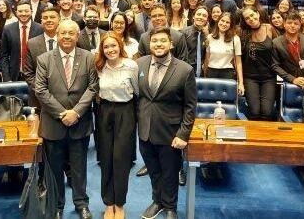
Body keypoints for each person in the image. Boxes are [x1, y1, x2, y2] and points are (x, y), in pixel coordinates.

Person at [34, 20, 97, 219]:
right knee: (54, 169)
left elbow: (93, 87)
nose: (67, 37)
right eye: (63, 33)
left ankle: (81, 203)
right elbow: (40, 90)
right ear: (57, 35)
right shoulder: (44, 59)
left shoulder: (88, 57)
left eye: (71, 33)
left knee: (79, 168)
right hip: (54, 124)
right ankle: (57, 205)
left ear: (77, 36)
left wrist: (76, 112)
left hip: (80, 122)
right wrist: (62, 113)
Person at [137, 27, 196, 219]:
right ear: (149, 43)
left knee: (170, 172)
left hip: (171, 132)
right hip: (145, 129)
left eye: (163, 41)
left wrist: (183, 134)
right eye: (154, 41)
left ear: (171, 44)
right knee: (154, 171)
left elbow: (190, 106)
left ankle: (170, 206)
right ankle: (158, 201)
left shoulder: (185, 70)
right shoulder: (139, 64)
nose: (158, 44)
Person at [95, 32, 138, 219]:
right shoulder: (98, 66)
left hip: (125, 111)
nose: (110, 50)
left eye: (114, 46)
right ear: (102, 50)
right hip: (104, 111)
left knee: (120, 158)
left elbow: (137, 91)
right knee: (105, 158)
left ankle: (119, 203)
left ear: (120, 46)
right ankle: (108, 202)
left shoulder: (131, 66)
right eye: (106, 47)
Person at [239, 6, 277, 120]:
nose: (250, 19)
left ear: (258, 14)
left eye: (252, 15)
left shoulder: (269, 28)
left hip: (269, 77)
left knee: (267, 112)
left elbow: (280, 50)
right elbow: (238, 57)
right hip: (250, 77)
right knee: (254, 112)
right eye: (247, 18)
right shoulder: (243, 32)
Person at [271, 11, 304, 88]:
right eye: (289, 23)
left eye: (296, 23)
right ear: (284, 24)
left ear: (300, 25)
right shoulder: (276, 42)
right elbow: (274, 65)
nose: (292, 26)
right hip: (287, 83)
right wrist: (293, 79)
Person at [23, 7, 60, 113]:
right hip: (39, 100)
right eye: (45, 18)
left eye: (52, 17)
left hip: (65, 99)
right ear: (41, 21)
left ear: (59, 20)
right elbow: (29, 74)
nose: (49, 20)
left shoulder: (68, 41)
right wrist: (44, 92)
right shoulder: (32, 43)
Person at [0, 1, 42, 82]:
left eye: (26, 11)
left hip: (36, 77)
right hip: (14, 76)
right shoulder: (8, 29)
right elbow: (3, 56)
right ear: (16, 12)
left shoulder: (40, 29)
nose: (23, 14)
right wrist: (6, 77)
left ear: (31, 12)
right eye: (20, 11)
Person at [204, 12, 244, 86]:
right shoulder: (209, 37)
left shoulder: (235, 39)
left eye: (227, 22)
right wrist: (205, 74)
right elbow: (207, 59)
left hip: (227, 73)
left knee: (226, 98)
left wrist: (241, 83)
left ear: (231, 25)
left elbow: (238, 63)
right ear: (218, 21)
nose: (224, 24)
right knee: (211, 97)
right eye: (222, 21)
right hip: (211, 72)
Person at [182, 6, 210, 76]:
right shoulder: (184, 33)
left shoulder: (207, 35)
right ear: (194, 16)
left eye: (204, 16)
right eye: (198, 14)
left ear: (207, 19)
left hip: (201, 73)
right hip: (186, 72)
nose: (200, 17)